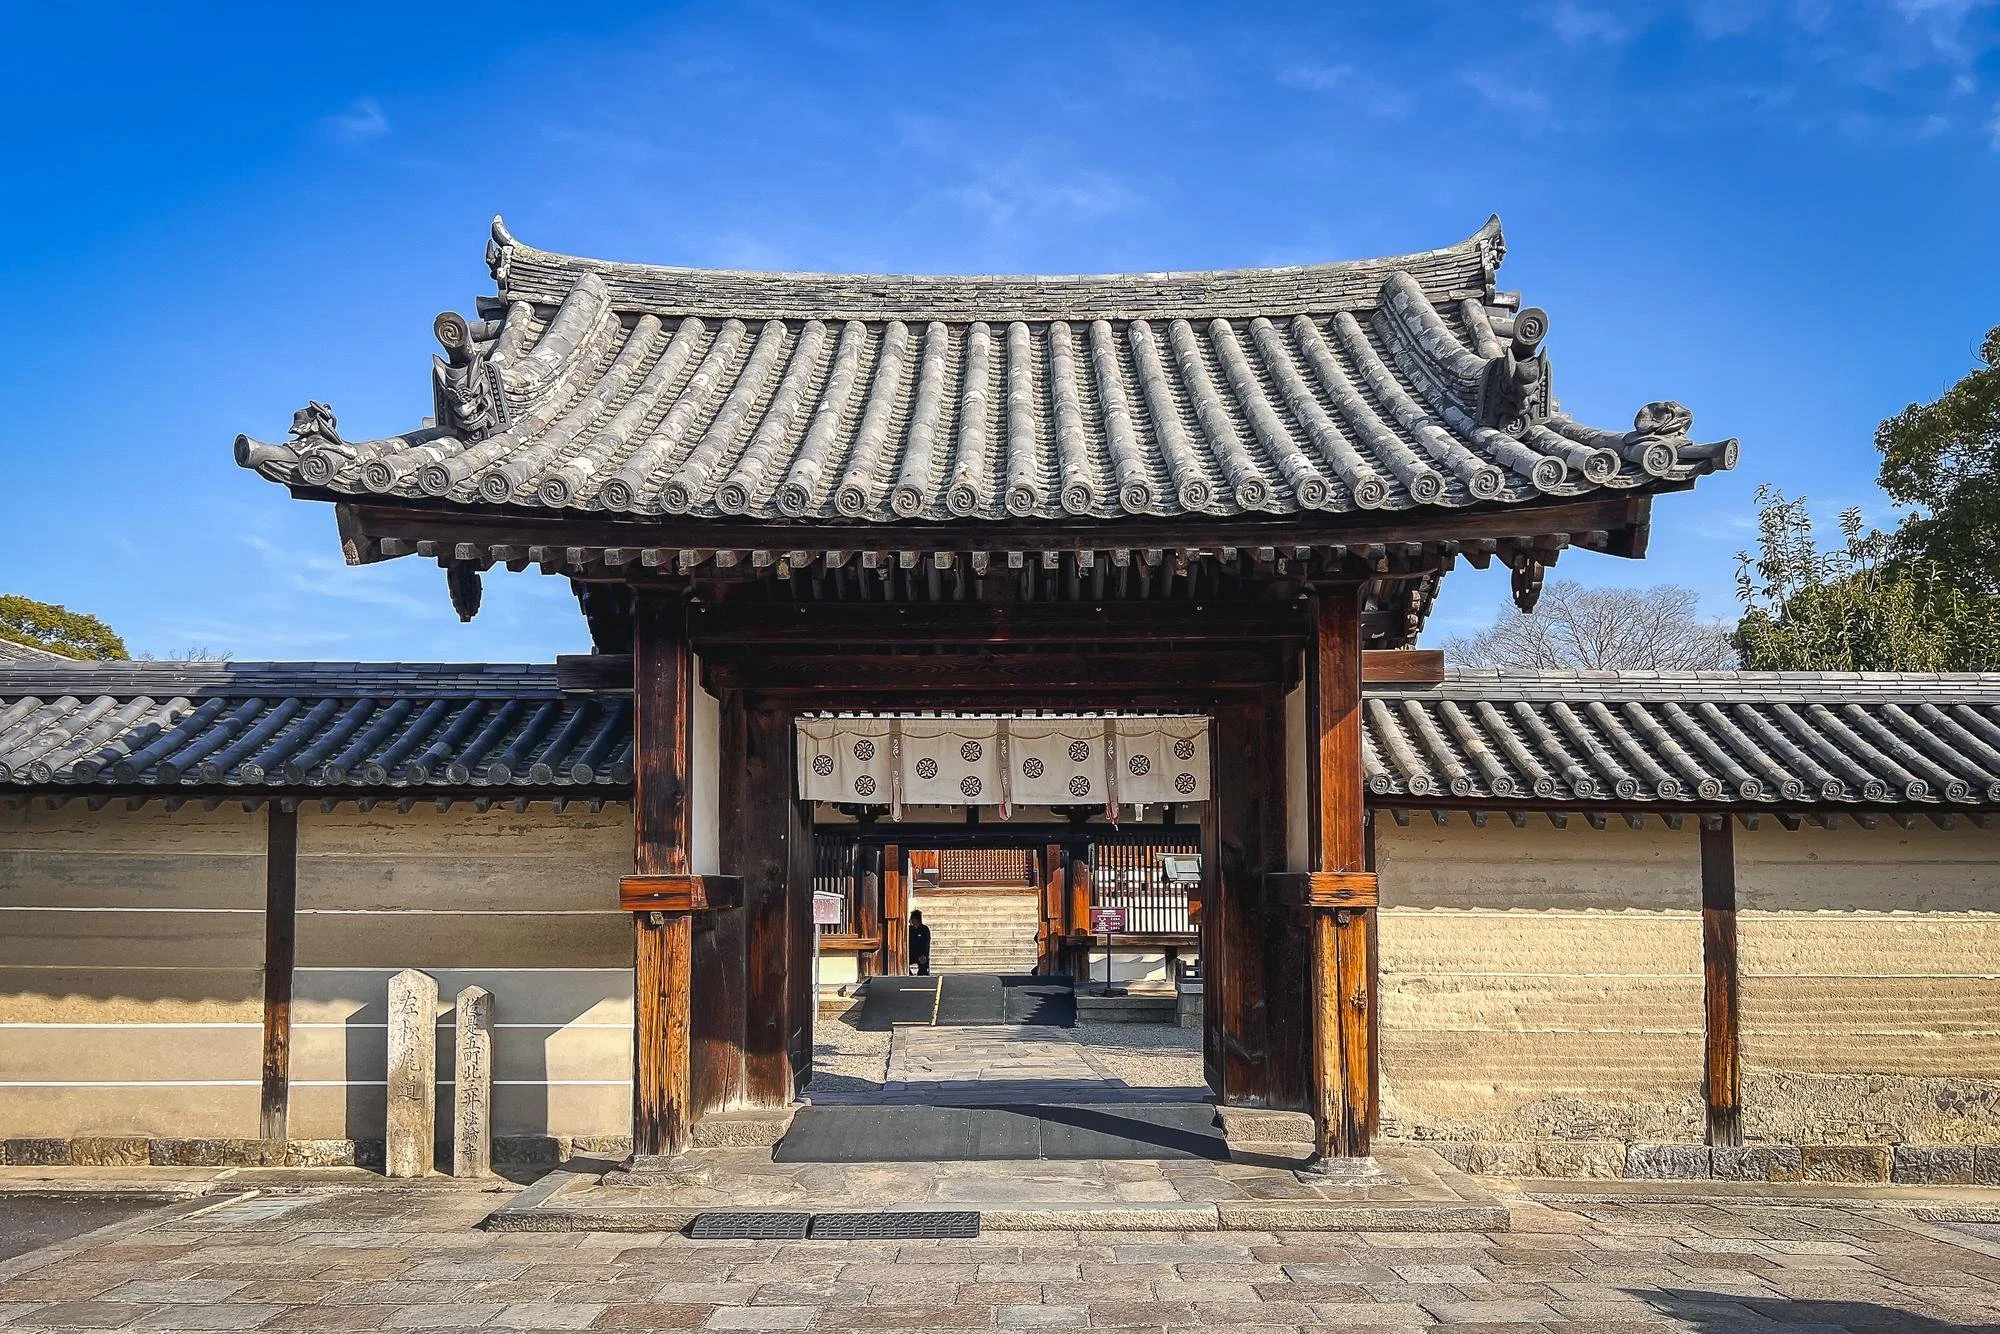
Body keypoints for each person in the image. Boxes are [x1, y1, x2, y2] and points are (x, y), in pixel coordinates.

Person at [908, 909, 932, 976]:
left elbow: (927, 943)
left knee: (923, 969)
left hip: (921, 953)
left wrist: (924, 954)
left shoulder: (924, 929)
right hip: (911, 953)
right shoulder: (909, 929)